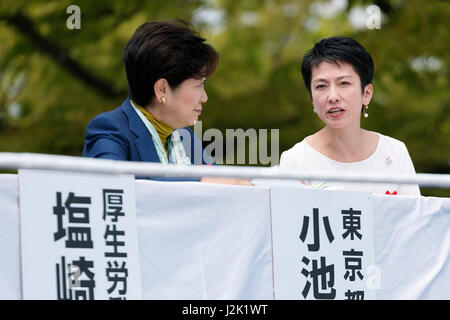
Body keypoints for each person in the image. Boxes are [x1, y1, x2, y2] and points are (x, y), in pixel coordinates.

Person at [83, 20, 250, 185]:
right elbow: (110, 189)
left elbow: (223, 181)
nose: (204, 97)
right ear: (162, 89)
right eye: (199, 85)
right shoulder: (109, 130)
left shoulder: (185, 136)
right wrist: (201, 180)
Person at [280, 37, 420, 196]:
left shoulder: (394, 152)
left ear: (366, 94)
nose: (333, 97)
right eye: (321, 86)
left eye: (344, 83)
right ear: (312, 98)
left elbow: (413, 218)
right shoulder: (297, 160)